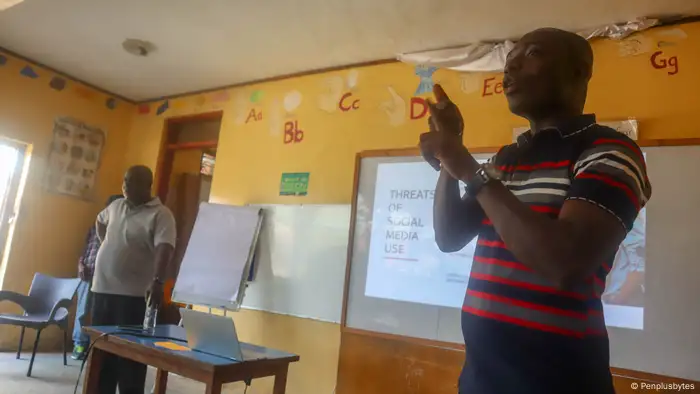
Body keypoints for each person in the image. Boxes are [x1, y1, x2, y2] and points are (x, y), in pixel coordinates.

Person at [419, 28, 651, 394]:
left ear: (578, 72)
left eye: (532, 53)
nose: (511, 65)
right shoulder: (507, 158)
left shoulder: (609, 151)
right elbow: (449, 236)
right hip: (480, 381)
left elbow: (564, 263)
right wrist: (452, 154)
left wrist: (466, 167)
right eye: (510, 59)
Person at [92, 165, 176, 394]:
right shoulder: (116, 205)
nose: (126, 185)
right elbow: (100, 221)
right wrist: (107, 246)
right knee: (101, 356)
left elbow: (165, 248)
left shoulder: (161, 214)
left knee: (131, 362)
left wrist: (158, 280)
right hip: (102, 291)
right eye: (125, 180)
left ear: (148, 185)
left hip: (134, 298)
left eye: (132, 181)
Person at [71, 194, 123, 360]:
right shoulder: (95, 227)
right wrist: (80, 265)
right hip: (87, 273)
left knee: (100, 313)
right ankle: (80, 344)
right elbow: (86, 249)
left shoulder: (120, 231)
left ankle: (97, 348)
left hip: (106, 277)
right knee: (82, 311)